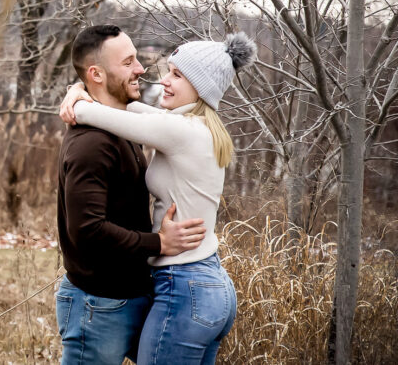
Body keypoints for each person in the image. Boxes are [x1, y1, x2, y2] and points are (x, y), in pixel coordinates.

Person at [59, 31, 256, 365]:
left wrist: (75, 97)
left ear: (200, 86)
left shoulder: (180, 131)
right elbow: (130, 108)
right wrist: (79, 87)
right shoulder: (195, 126)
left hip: (184, 286)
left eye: (176, 75)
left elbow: (100, 113)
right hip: (211, 283)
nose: (162, 80)